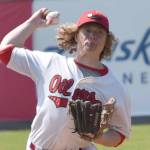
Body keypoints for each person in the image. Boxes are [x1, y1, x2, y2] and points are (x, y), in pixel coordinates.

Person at [0, 8, 131, 150]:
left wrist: (99, 137)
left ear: (106, 41)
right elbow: (5, 51)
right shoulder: (50, 63)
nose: (92, 36)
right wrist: (32, 23)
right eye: (87, 31)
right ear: (76, 36)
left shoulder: (114, 86)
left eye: (99, 32)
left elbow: (120, 133)